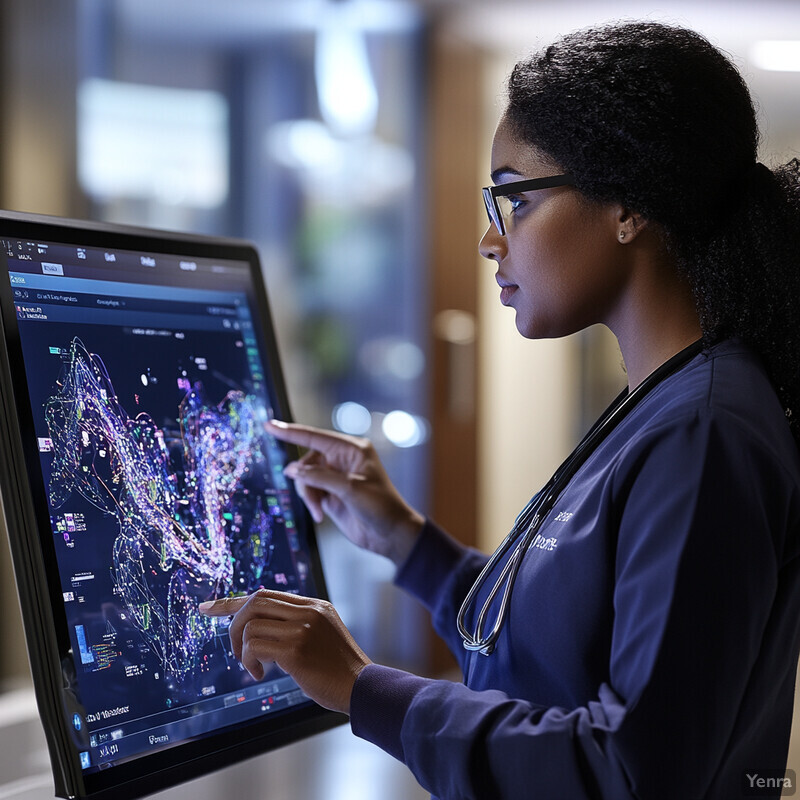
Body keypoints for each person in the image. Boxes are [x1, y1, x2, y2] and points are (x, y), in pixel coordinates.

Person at [200, 21, 800, 800]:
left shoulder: (704, 430)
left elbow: (631, 771)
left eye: (512, 198)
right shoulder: (665, 402)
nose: (490, 239)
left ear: (627, 205)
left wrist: (360, 686)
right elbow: (552, 652)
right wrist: (407, 542)